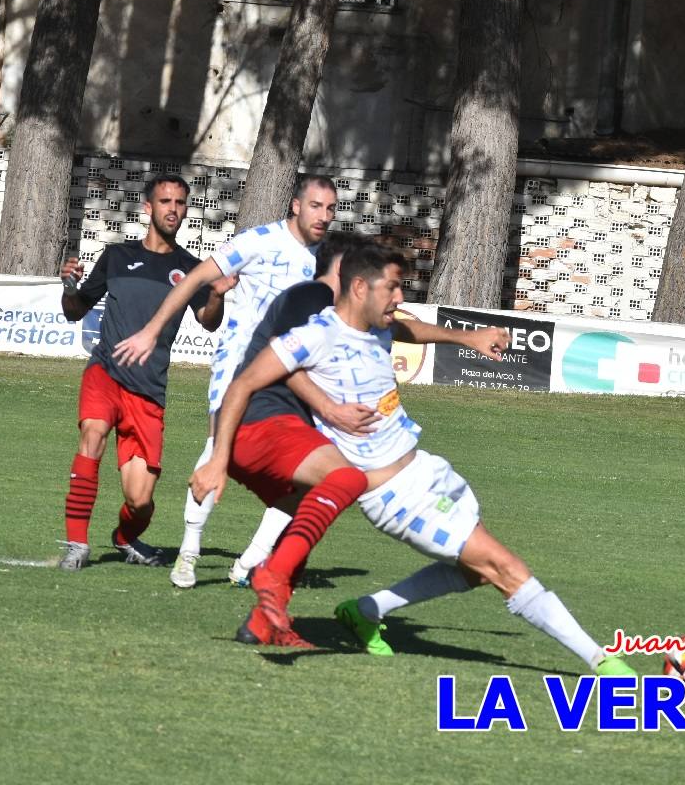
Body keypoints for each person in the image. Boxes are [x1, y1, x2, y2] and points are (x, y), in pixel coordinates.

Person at [192, 241, 636, 675]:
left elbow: (405, 328)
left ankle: (367, 610)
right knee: (505, 568)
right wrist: (217, 460)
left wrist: (467, 337)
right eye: (392, 288)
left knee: (473, 572)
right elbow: (242, 384)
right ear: (361, 288)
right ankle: (604, 663)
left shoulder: (376, 328)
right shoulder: (314, 336)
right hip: (393, 497)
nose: (400, 298)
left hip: (425, 470)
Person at [111, 175, 338, 590]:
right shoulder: (259, 241)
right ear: (295, 205)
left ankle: (251, 561)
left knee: (301, 473)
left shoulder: (327, 260)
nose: (323, 217)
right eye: (316, 206)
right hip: (240, 364)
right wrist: (152, 330)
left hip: (294, 373)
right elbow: (196, 278)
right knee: (219, 448)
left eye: (330, 209)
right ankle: (189, 552)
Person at [57, 174, 233, 571]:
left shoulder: (191, 268)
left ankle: (124, 538)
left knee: (140, 501)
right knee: (93, 435)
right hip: (105, 371)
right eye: (166, 201)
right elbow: (75, 310)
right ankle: (77, 544)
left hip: (148, 390)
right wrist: (69, 288)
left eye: (180, 202)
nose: (174, 209)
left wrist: (217, 294)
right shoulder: (117, 257)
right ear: (148, 208)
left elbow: (209, 321)